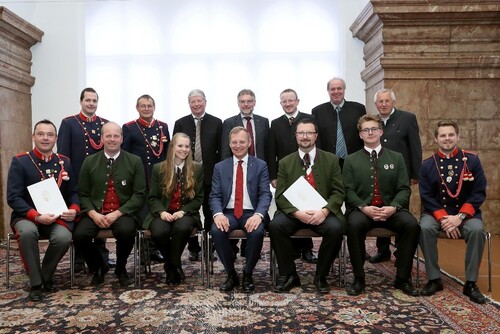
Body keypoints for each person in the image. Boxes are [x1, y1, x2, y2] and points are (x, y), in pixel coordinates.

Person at [343, 114, 420, 297]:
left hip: (391, 210)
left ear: (381, 132)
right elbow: (347, 190)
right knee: (352, 225)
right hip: (362, 210)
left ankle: (403, 278)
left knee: (411, 225)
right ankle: (359, 278)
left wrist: (393, 207)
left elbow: (403, 189)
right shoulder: (350, 160)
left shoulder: (397, 157)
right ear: (360, 134)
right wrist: (363, 207)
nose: (370, 133)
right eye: (366, 130)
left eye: (374, 129)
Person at [269, 118, 345, 294]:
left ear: (316, 136)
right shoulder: (285, 162)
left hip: (322, 212)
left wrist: (325, 212)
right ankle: (289, 275)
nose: (305, 137)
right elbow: (280, 196)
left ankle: (321, 276)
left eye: (309, 133)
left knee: (336, 228)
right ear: (296, 136)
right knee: (275, 226)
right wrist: (297, 213)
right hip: (294, 214)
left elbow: (338, 192)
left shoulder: (332, 160)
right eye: (301, 133)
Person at [7, 120, 80, 301]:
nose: (45, 138)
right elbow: (13, 197)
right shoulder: (20, 161)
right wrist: (36, 216)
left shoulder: (64, 161)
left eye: (49, 135)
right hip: (27, 216)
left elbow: (73, 193)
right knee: (27, 233)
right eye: (41, 134)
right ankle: (36, 284)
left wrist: (74, 209)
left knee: (63, 237)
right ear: (33, 137)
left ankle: (45, 276)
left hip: (56, 217)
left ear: (55, 138)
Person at [419, 120, 487, 304]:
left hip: (466, 214)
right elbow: (426, 196)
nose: (447, 139)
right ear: (436, 138)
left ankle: (471, 283)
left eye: (450, 135)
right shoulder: (427, 165)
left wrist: (459, 217)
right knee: (424, 228)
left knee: (476, 231)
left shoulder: (472, 160)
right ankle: (434, 279)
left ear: (458, 136)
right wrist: (443, 219)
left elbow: (479, 192)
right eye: (443, 135)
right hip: (436, 213)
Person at [73, 122, 146, 287]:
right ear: (102, 139)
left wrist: (117, 213)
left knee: (126, 231)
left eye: (116, 136)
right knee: (79, 235)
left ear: (122, 139)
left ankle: (121, 268)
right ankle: (99, 266)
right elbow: (83, 194)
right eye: (108, 136)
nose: (112, 139)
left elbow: (139, 195)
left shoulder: (135, 161)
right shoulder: (89, 161)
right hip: (95, 212)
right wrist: (93, 213)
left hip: (123, 212)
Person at [209, 126, 272, 293]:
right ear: (229, 144)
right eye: (234, 142)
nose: (238, 145)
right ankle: (231, 274)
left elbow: (265, 194)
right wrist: (218, 214)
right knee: (217, 230)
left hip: (251, 213)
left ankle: (248, 273)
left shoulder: (260, 165)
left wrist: (259, 215)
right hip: (228, 212)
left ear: (250, 143)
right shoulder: (220, 167)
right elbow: (214, 195)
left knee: (257, 232)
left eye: (242, 142)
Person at [57, 87, 111, 272]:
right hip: (78, 179)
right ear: (81, 101)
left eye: (94, 100)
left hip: (99, 181)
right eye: (88, 100)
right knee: (80, 220)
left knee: (101, 215)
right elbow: (63, 155)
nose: (91, 104)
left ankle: (102, 256)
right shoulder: (69, 123)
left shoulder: (105, 124)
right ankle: (79, 259)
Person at [369, 88, 423, 264]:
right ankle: (382, 250)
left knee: (400, 211)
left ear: (393, 102)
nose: (383, 104)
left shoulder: (407, 118)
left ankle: (401, 251)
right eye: (380, 102)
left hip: (401, 176)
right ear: (376, 104)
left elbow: (415, 147)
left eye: (387, 101)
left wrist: (415, 174)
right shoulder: (373, 121)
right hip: (378, 175)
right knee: (381, 210)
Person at [144, 133, 204, 285]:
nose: (184, 149)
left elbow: (199, 198)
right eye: (180, 146)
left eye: (187, 146)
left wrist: (183, 211)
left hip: (186, 213)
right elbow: (152, 197)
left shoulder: (197, 169)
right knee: (159, 231)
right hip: (162, 212)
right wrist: (162, 212)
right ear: (172, 147)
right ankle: (174, 265)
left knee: (182, 227)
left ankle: (170, 266)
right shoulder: (159, 168)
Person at [173, 89, 222, 262]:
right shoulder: (180, 123)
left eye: (199, 101)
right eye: (193, 101)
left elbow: (222, 152)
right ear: (189, 104)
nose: (196, 104)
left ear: (205, 102)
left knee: (210, 213)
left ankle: (209, 248)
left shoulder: (217, 122)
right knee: (188, 212)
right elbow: (175, 150)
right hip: (186, 176)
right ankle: (193, 248)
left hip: (210, 176)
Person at [269, 88, 317, 264]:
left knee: (307, 208)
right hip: (286, 173)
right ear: (281, 103)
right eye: (284, 101)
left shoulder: (308, 119)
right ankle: (291, 249)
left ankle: (307, 249)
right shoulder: (275, 123)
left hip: (307, 169)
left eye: (291, 100)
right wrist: (273, 176)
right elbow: (271, 150)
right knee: (289, 210)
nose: (288, 104)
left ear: (297, 101)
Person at [221, 89, 270, 258]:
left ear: (254, 102)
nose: (246, 104)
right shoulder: (229, 122)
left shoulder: (264, 121)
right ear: (238, 103)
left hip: (257, 171)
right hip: (236, 168)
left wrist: (270, 173)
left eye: (249, 101)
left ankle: (249, 251)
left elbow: (267, 148)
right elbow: (226, 150)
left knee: (254, 208)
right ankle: (232, 248)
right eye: (242, 101)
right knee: (235, 205)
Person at [122, 94, 171, 263]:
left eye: (149, 106)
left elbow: (167, 154)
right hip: (139, 179)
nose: (146, 109)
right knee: (142, 215)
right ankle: (143, 251)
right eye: (142, 106)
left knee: (156, 214)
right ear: (137, 108)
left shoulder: (162, 127)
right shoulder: (129, 128)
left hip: (159, 179)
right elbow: (125, 156)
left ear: (154, 107)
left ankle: (153, 250)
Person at [312, 77, 366, 167]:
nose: (336, 91)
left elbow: (364, 133)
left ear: (344, 90)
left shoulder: (358, 109)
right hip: (327, 162)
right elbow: (317, 138)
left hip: (355, 161)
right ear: (328, 91)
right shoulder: (317, 111)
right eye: (332, 89)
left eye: (339, 88)